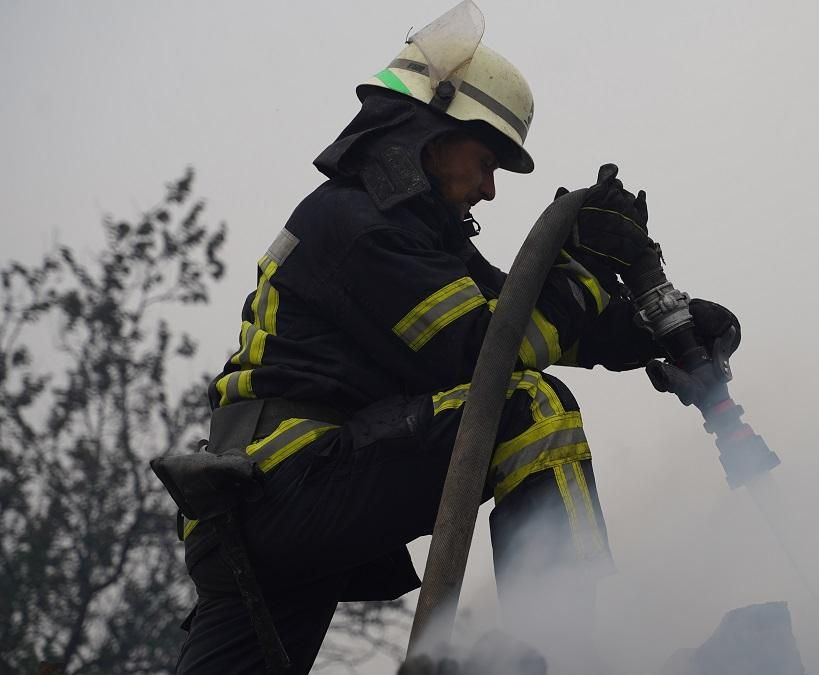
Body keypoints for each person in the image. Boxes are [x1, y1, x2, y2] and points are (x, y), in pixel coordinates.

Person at [170, 3, 739, 672]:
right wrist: (582, 269)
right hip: (295, 481)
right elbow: (486, 354)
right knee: (533, 409)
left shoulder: (403, 235)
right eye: (487, 158)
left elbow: (516, 314)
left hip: (260, 509)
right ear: (429, 133)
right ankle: (566, 644)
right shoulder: (358, 225)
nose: (491, 189)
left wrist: (643, 329)